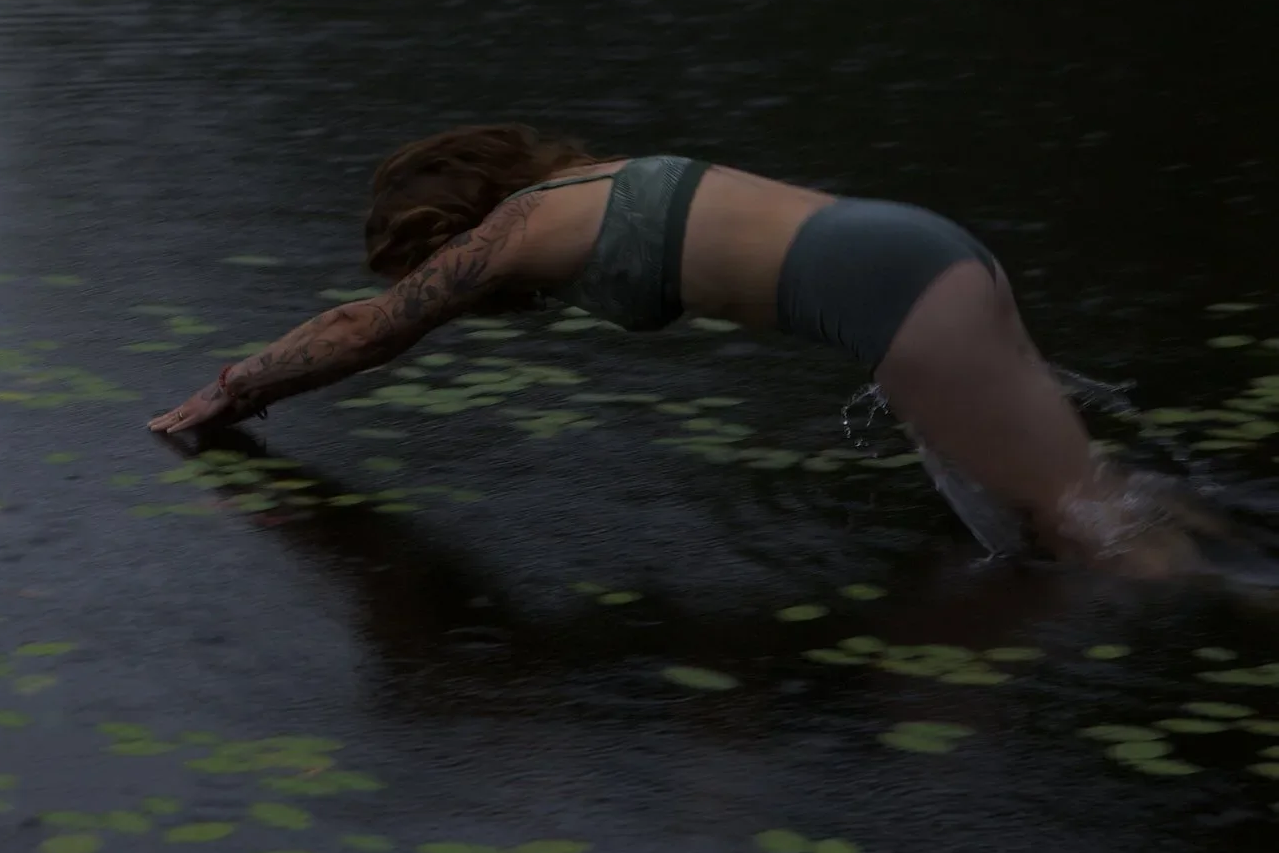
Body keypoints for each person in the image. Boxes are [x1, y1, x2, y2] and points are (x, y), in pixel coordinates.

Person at [148, 124, 1195, 573]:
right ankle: (1202, 558)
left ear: (445, 222)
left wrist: (231, 389)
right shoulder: (589, 181)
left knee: (1076, 530)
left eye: (415, 255)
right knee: (1086, 494)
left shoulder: (513, 230)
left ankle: (1219, 614)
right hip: (928, 251)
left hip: (906, 296)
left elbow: (364, 329)